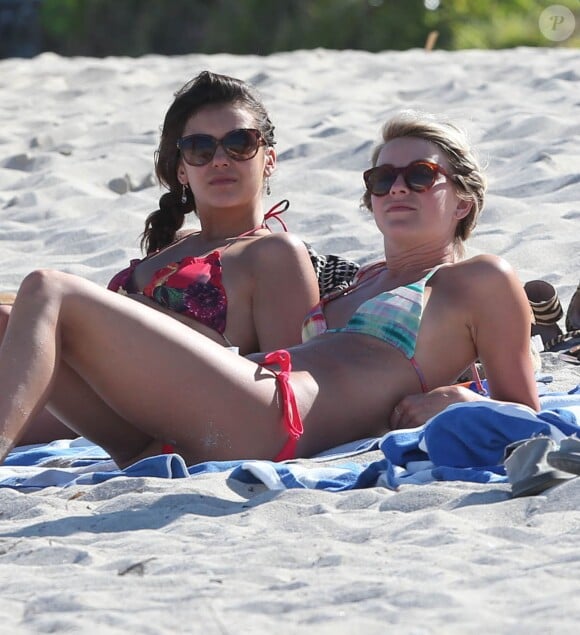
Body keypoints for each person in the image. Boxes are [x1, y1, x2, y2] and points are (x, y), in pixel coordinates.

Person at [0, 111, 540, 467]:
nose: (397, 187)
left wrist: (468, 397)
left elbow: (528, 415)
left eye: (420, 175)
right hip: (209, 426)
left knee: (50, 288)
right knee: (36, 322)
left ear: (464, 200)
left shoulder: (478, 278)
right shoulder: (362, 280)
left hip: (275, 419)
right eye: (382, 179)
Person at [0, 70, 319, 445]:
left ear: (269, 159)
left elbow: (293, 383)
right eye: (201, 148)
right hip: (110, 417)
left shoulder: (275, 253)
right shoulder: (174, 246)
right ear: (182, 169)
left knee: (46, 287)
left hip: (195, 421)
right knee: (5, 317)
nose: (220, 160)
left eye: (239, 143)